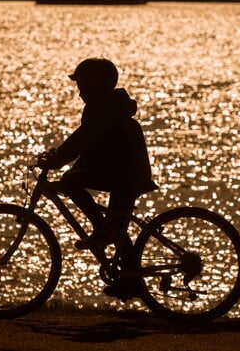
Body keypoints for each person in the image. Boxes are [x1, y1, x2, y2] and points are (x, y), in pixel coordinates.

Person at [38, 58, 158, 296]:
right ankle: (130, 281)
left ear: (97, 84)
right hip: (124, 172)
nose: (79, 90)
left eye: (82, 84)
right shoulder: (108, 105)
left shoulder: (103, 108)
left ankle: (103, 231)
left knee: (72, 183)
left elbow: (84, 138)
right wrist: (61, 159)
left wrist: (58, 161)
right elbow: (91, 147)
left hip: (125, 174)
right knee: (118, 229)